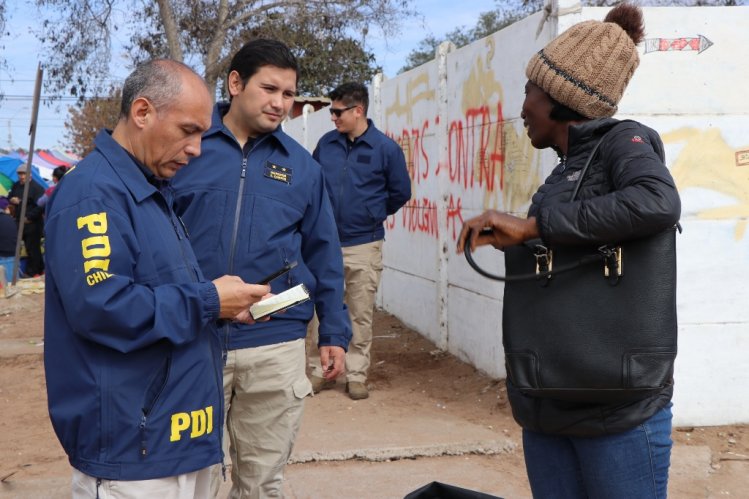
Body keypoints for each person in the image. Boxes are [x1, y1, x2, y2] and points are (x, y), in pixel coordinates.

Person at [456, 4, 681, 498]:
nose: (521, 109)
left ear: (559, 96)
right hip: (549, 404)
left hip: (618, 412)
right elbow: (571, 248)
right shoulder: (563, 173)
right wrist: (519, 239)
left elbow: (657, 202)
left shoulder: (624, 142)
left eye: (527, 93)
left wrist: (533, 224)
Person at [43, 59, 270, 499]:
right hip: (135, 454)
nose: (197, 148)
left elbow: (159, 294)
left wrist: (221, 306)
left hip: (181, 442)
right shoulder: (95, 194)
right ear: (143, 112)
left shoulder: (150, 192)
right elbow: (103, 307)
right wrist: (207, 301)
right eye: (188, 130)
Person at [171, 39, 352, 498]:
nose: (280, 103)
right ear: (235, 83)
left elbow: (324, 251)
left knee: (262, 484)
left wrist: (333, 331)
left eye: (289, 94)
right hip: (191, 341)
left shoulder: (303, 169)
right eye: (269, 88)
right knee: (192, 483)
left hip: (274, 347)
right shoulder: (183, 151)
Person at [307, 82, 411, 400]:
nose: (333, 117)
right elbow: (312, 186)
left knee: (360, 312)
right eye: (331, 111)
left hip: (364, 244)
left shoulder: (385, 149)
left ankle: (355, 374)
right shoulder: (326, 145)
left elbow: (400, 192)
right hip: (324, 244)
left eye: (338, 112)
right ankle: (319, 372)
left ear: (358, 111)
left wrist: (371, 214)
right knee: (318, 311)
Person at [8, 165, 45, 276]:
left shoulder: (37, 188)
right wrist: (12, 199)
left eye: (24, 174)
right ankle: (37, 268)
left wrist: (29, 217)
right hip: (19, 221)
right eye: (20, 174)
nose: (22, 176)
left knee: (32, 248)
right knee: (21, 247)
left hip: (32, 223)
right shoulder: (16, 186)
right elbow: (10, 196)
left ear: (30, 174)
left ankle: (33, 271)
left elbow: (40, 206)